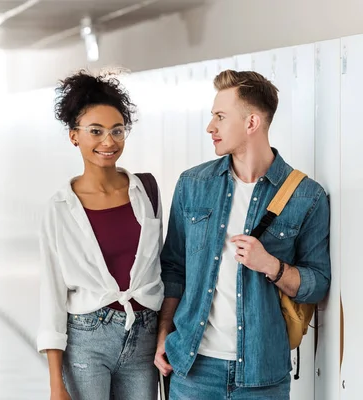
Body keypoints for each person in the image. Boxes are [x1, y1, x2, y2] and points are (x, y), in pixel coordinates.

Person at [155, 69, 331, 399]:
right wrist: (164, 334)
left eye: (221, 117)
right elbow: (174, 270)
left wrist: (271, 266)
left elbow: (317, 283)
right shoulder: (193, 185)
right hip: (193, 367)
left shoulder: (307, 196)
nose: (211, 127)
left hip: (263, 374)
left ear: (251, 123)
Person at [36, 69, 164, 400]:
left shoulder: (145, 191)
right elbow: (52, 294)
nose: (108, 142)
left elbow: (160, 269)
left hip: (144, 336)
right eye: (96, 131)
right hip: (87, 339)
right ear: (74, 136)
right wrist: (55, 385)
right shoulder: (60, 207)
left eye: (117, 131)